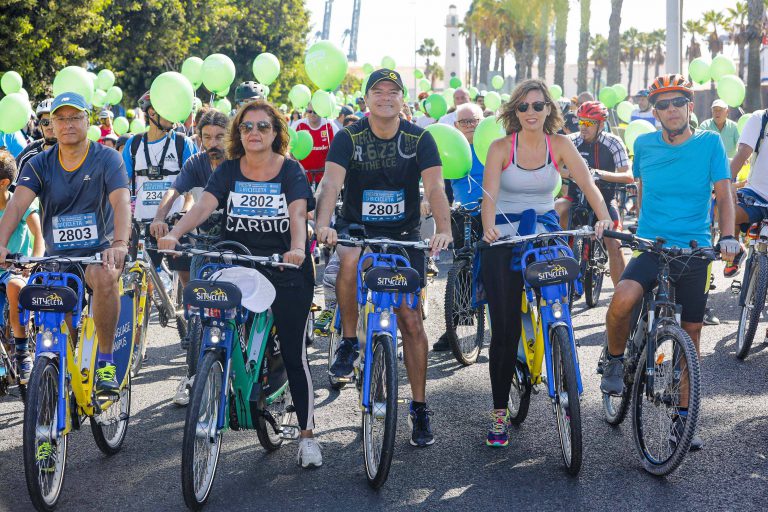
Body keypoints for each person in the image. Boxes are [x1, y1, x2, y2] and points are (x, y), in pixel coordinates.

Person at [158, 100, 322, 468]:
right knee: (218, 328)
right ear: (239, 133)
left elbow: (298, 214)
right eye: (247, 127)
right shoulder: (230, 169)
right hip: (238, 261)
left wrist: (297, 249)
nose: (254, 133)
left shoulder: (291, 170)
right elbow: (203, 207)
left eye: (263, 127)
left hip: (285, 268)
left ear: (276, 132)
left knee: (295, 354)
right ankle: (216, 379)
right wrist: (174, 233)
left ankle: (308, 434)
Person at [315, 68, 452, 447]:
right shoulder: (349, 137)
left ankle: (420, 407)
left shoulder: (419, 138)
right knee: (347, 259)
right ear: (367, 98)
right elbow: (330, 183)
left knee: (410, 320)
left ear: (403, 99)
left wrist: (444, 229)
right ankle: (347, 340)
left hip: (404, 234)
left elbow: (435, 186)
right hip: (356, 227)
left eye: (394, 91)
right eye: (378, 91)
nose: (386, 97)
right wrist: (322, 224)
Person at [602, 75, 737, 450]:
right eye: (662, 104)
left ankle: (682, 419)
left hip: (694, 249)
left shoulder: (710, 143)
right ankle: (614, 360)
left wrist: (727, 236)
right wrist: (642, 228)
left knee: (690, 334)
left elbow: (725, 196)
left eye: (678, 102)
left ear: (689, 106)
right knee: (623, 300)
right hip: (652, 246)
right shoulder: (644, 144)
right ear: (655, 110)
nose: (671, 109)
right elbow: (643, 190)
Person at [479, 79, 612, 447]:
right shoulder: (501, 147)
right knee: (504, 331)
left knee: (558, 303)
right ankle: (499, 413)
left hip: (544, 232)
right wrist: (489, 228)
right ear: (514, 112)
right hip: (505, 234)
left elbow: (587, 184)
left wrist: (604, 218)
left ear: (549, 109)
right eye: (523, 107)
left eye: (538, 106)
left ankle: (558, 347)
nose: (531, 113)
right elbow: (489, 196)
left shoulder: (562, 144)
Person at [0, 92, 131, 395]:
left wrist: (121, 243)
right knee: (53, 317)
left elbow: (121, 201)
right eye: (60, 118)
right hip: (57, 258)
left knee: (104, 277)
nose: (67, 124)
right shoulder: (38, 164)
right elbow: (17, 206)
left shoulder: (107, 157)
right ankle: (66, 362)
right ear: (50, 124)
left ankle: (106, 362)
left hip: (100, 251)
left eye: (75, 117)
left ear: (88, 121)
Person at [150, 109, 229, 406]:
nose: (213, 142)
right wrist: (160, 217)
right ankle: (192, 373)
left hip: (237, 243)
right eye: (206, 137)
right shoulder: (196, 162)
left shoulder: (238, 162)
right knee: (196, 309)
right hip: (204, 242)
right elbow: (174, 190)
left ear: (230, 135)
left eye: (219, 136)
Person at [555, 101, 633, 286]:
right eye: (581, 121)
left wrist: (600, 174)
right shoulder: (571, 140)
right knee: (555, 210)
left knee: (614, 242)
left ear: (601, 124)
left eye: (590, 123)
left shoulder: (613, 142)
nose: (584, 126)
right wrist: (573, 173)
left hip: (605, 199)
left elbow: (628, 176)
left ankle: (620, 293)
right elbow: (555, 167)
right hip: (575, 196)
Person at [432, 102, 486, 352]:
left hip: (492, 211)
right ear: (456, 126)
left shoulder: (492, 146)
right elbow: (437, 183)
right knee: (460, 265)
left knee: (494, 264)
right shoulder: (449, 148)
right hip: (462, 212)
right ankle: (459, 318)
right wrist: (428, 201)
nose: (470, 126)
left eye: (474, 120)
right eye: (465, 122)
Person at [0, 150, 44, 383]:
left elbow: (39, 235)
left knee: (15, 286)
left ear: (4, 183)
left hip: (16, 268)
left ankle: (22, 351)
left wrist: (34, 261)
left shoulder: (21, 200)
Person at [724, 106, 768, 277]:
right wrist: (725, 184)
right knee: (728, 210)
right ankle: (735, 252)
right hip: (756, 193)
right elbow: (742, 154)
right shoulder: (759, 118)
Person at [294, 102, 338, 188]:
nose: (312, 114)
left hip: (324, 177)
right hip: (302, 175)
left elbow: (340, 148)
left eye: (315, 112)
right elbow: (288, 146)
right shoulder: (299, 125)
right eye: (309, 111)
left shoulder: (329, 126)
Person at [15, 99, 57, 181]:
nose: (50, 126)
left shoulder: (75, 152)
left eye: (54, 121)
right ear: (41, 125)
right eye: (45, 122)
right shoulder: (29, 152)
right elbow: (13, 187)